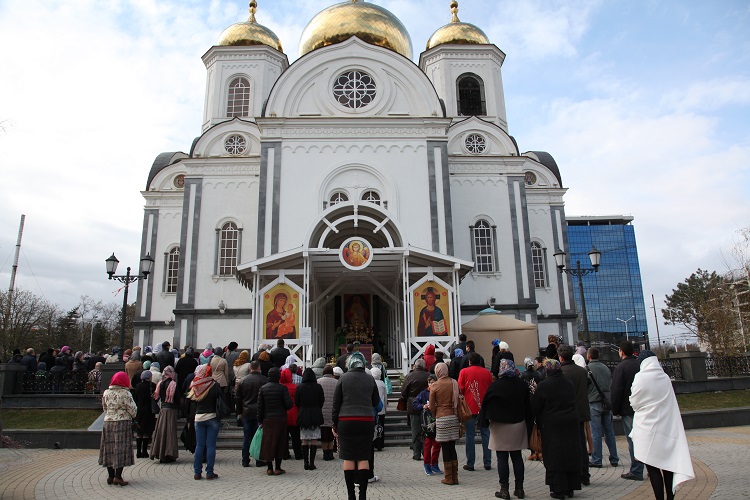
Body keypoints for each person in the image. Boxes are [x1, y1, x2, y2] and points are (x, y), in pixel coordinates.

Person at [630, 351, 695, 500]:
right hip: (666, 427)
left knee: (652, 466)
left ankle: (659, 498)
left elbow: (634, 402)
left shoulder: (640, 377)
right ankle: (670, 498)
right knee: (668, 465)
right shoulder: (664, 377)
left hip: (646, 428)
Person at [480, 359, 531, 499]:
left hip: (499, 425)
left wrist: (484, 421)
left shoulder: (495, 386)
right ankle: (519, 489)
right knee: (517, 457)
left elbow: (485, 403)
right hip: (518, 424)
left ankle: (504, 489)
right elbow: (528, 406)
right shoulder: (522, 385)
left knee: (502, 458)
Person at [531, 359, 582, 499]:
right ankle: (570, 487)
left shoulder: (544, 385)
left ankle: (558, 489)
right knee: (570, 453)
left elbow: (536, 406)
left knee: (555, 456)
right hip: (571, 423)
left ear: (547, 370)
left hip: (552, 425)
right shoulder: (568, 383)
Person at [332, 351, 380, 500]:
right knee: (363, 457)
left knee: (349, 457)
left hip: (346, 421)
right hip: (365, 421)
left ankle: (351, 495)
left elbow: (336, 404)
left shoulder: (343, 378)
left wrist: (335, 424)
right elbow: (375, 402)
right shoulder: (370, 378)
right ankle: (363, 495)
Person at [611, 340, 645, 481]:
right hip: (643, 407)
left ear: (622, 352)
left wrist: (616, 409)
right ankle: (651, 468)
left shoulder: (621, 367)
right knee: (645, 438)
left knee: (633, 439)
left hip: (628, 408)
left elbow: (617, 390)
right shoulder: (640, 365)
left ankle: (636, 470)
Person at [558, 344, 591, 486]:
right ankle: (585, 475)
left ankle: (573, 475)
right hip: (581, 411)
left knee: (567, 445)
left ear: (560, 357)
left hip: (566, 414)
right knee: (581, 445)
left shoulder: (561, 372)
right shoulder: (582, 371)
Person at [98, 371, 137, 486]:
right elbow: (133, 410)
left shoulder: (106, 392)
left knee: (108, 448)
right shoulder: (125, 393)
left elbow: (104, 407)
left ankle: (110, 476)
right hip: (122, 422)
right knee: (120, 448)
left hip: (108, 422)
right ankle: (118, 477)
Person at [458, 352, 493, 471]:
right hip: (484, 408)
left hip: (469, 407)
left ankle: (470, 463)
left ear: (469, 361)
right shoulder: (487, 373)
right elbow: (490, 389)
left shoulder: (464, 372)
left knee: (470, 435)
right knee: (486, 434)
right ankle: (487, 462)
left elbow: (460, 389)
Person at [586, 347, 619, 468]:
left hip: (594, 402)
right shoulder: (605, 368)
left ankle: (597, 459)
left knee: (596, 432)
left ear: (589, 356)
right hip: (607, 402)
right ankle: (614, 458)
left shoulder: (587, 369)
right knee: (609, 431)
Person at [257, 366, 294, 475]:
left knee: (268, 442)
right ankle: (278, 467)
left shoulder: (263, 388)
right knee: (279, 442)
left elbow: (260, 407)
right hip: (280, 419)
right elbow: (289, 404)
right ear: (278, 377)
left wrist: (260, 420)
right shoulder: (282, 388)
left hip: (267, 419)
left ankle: (269, 468)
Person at [187, 364, 221, 480]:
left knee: (199, 445)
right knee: (211, 445)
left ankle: (197, 472)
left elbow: (192, 402)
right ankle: (209, 472)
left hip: (199, 417)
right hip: (212, 417)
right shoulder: (214, 385)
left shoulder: (195, 385)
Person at [430, 362, 461, 485]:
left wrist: (435, 415)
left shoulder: (435, 386)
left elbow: (432, 406)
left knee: (445, 448)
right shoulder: (454, 382)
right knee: (452, 446)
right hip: (453, 417)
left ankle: (448, 477)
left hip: (442, 418)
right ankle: (455, 476)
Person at [236, 360, 267, 467]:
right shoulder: (264, 380)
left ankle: (245, 459)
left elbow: (238, 398)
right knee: (259, 436)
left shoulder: (243, 381)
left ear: (250, 368)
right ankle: (259, 459)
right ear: (259, 368)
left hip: (247, 411)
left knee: (247, 436)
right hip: (260, 412)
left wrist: (239, 412)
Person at [295, 367, 325, 470]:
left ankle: (305, 462)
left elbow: (297, 402)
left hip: (303, 413)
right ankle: (312, 463)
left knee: (304, 439)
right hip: (315, 413)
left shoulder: (299, 387)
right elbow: (322, 400)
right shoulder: (318, 387)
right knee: (314, 439)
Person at [400, 359, 430, 460]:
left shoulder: (410, 376)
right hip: (426, 405)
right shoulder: (428, 376)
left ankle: (416, 453)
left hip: (413, 405)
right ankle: (425, 452)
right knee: (426, 429)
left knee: (415, 429)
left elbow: (404, 392)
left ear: (415, 366)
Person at [149, 365, 180, 463]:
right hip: (171, 410)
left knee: (161, 432)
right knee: (170, 432)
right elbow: (177, 398)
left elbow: (155, 397)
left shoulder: (160, 384)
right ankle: (169, 453)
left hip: (163, 410)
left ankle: (160, 452)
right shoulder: (173, 384)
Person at [413, 374, 441, 475]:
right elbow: (414, 404)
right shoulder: (423, 393)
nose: (431, 384)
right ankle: (427, 464)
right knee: (428, 444)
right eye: (429, 382)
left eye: (433, 382)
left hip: (437, 420)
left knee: (437, 444)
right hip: (427, 422)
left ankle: (435, 464)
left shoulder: (439, 392)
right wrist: (422, 406)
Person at [133, 370, 157, 458]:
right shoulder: (152, 385)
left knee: (139, 431)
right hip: (149, 410)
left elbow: (135, 397)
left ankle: (138, 452)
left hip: (139, 410)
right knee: (147, 431)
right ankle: (144, 451)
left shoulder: (138, 386)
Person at [280, 368, 302, 460]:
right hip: (294, 414)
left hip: (283, 415)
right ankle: (298, 454)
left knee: (284, 437)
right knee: (296, 437)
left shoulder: (280, 387)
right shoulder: (295, 387)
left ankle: (285, 454)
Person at [318, 364, 338, 460]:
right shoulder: (337, 382)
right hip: (332, 411)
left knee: (323, 434)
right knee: (331, 433)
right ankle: (330, 452)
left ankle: (325, 452)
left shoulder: (318, 382)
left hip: (322, 411)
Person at [370, 366, 387, 452]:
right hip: (381, 409)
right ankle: (380, 444)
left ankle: (373, 443)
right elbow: (385, 398)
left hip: (373, 409)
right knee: (380, 427)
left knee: (373, 427)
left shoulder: (370, 383)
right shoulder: (382, 384)